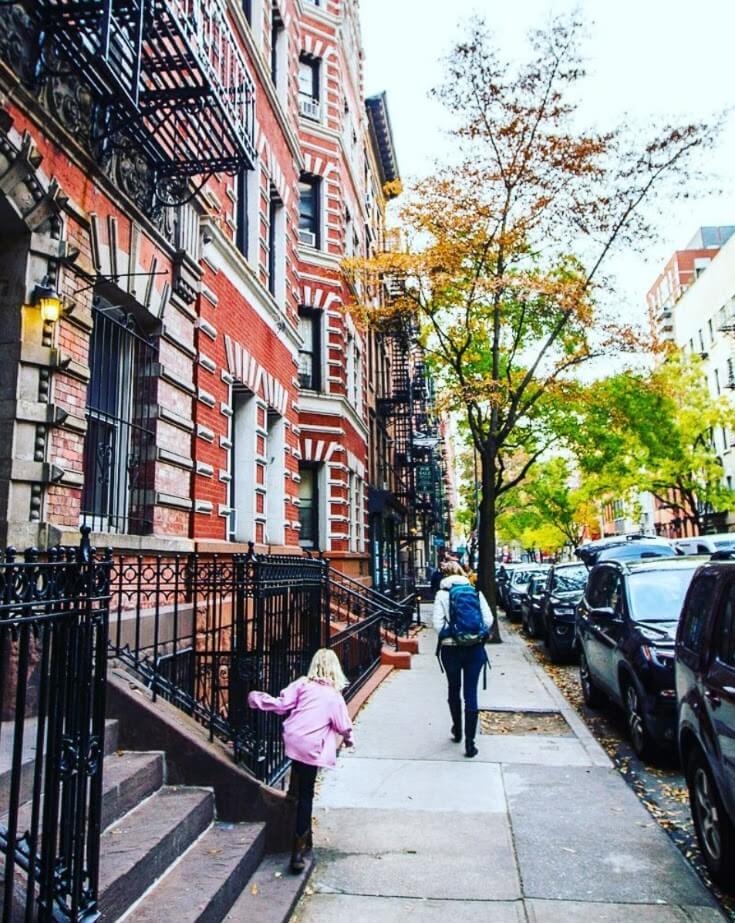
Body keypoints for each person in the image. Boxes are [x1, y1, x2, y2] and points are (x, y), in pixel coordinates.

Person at [248, 648, 353, 873]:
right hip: (312, 747)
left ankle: (291, 804)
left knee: (298, 778)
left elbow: (281, 704)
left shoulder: (303, 684)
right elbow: (343, 725)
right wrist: (349, 738)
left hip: (294, 740)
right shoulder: (334, 695)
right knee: (306, 794)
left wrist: (257, 698)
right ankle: (297, 852)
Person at [432, 561, 494, 758]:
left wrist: (452, 633)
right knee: (471, 694)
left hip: (450, 650)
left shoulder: (442, 595)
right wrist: (475, 634)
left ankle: (457, 730)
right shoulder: (475, 592)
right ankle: (470, 743)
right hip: (474, 649)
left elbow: (437, 624)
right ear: (461, 573)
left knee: (453, 688)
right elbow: (488, 620)